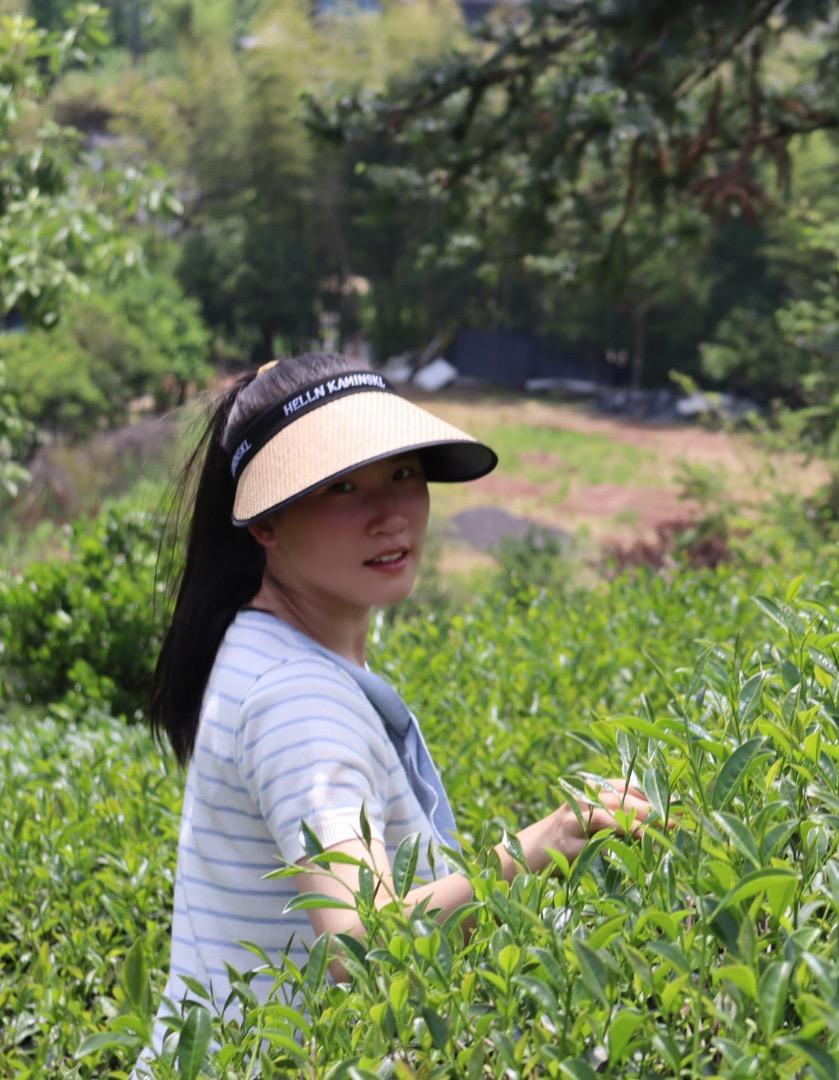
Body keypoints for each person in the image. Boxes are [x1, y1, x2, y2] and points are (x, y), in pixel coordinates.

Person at [138, 351, 658, 1070]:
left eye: (403, 474)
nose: (389, 514)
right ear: (263, 523)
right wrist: (537, 849)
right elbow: (357, 944)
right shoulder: (299, 699)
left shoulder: (266, 643)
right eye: (342, 485)